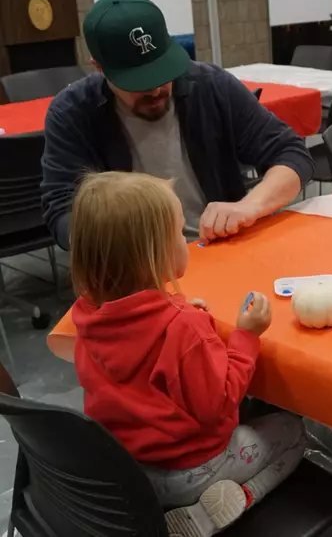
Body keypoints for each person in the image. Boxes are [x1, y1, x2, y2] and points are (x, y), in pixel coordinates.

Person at [70, 171, 305, 536]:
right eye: (180, 232)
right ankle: (232, 501)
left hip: (129, 472)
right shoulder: (184, 327)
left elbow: (138, 337)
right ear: (154, 254)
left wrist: (173, 308)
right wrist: (246, 336)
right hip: (193, 471)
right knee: (292, 430)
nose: (186, 239)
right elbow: (221, 402)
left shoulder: (86, 315)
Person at [41, 0, 313, 249]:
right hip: (134, 270)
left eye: (162, 73)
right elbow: (63, 213)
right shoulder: (72, 114)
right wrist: (125, 242)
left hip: (222, 246)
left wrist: (249, 206)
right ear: (99, 67)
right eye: (138, 82)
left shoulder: (211, 86)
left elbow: (291, 154)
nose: (155, 90)